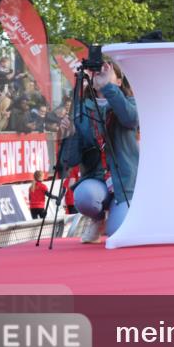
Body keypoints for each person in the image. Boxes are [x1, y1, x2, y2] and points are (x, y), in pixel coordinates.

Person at [60, 61, 139, 240]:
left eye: (107, 71)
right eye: (97, 72)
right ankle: (97, 219)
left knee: (117, 234)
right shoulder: (81, 109)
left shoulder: (130, 102)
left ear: (119, 82)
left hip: (125, 181)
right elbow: (70, 159)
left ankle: (118, 216)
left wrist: (108, 88)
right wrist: (69, 134)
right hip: (96, 179)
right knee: (84, 197)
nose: (100, 74)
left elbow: (130, 119)